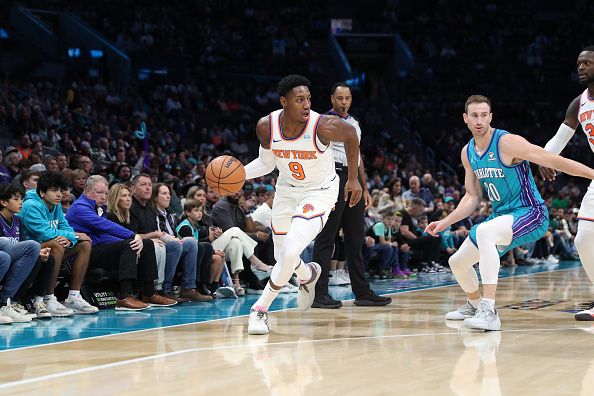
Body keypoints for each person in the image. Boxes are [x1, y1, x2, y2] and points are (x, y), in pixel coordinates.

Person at [425, 95, 594, 331]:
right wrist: (446, 221)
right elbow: (472, 196)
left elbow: (552, 159)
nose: (479, 120)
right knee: (457, 262)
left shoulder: (507, 142)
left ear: (491, 116)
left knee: (485, 232)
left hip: (531, 213)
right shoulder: (468, 153)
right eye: (474, 115)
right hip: (502, 217)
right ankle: (474, 305)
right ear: (465, 118)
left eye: (484, 115)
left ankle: (489, 311)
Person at [243, 74, 363, 335]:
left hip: (319, 193)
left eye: (308, 99)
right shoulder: (267, 126)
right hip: (286, 191)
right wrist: (238, 175)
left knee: (287, 254)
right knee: (281, 256)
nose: (307, 104)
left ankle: (260, 310)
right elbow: (266, 163)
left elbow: (352, 135)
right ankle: (307, 274)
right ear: (283, 102)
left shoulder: (323, 126)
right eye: (299, 100)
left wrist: (353, 179)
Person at [312, 81, 392, 308]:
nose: (344, 102)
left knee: (355, 239)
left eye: (347, 98)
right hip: (332, 178)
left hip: (353, 180)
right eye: (339, 98)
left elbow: (357, 158)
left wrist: (365, 187)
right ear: (332, 99)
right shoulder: (322, 122)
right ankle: (319, 294)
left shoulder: (355, 123)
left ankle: (362, 292)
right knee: (327, 237)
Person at [539, 46, 594, 321]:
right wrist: (544, 157)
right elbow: (560, 139)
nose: (581, 67)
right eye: (579, 63)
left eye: (587, 62)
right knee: (584, 238)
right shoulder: (578, 103)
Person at [66, 176, 171, 310]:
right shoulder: (80, 207)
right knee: (130, 245)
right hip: (81, 254)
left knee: (147, 244)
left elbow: (103, 235)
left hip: (97, 247)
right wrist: (133, 236)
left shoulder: (98, 207)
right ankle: (124, 296)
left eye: (105, 193)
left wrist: (133, 239)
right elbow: (104, 226)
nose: (104, 196)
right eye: (99, 192)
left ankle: (149, 293)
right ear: (87, 191)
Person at [19, 171, 98, 315]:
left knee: (85, 243)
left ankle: (73, 297)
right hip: (29, 249)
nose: (59, 195)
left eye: (61, 191)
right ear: (42, 193)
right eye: (54, 191)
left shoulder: (56, 205)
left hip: (47, 246)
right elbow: (45, 233)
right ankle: (48, 298)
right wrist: (73, 236)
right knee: (57, 244)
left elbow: (65, 227)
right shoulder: (31, 205)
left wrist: (71, 238)